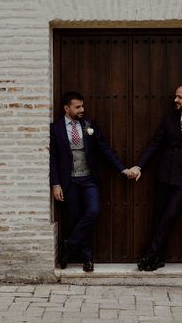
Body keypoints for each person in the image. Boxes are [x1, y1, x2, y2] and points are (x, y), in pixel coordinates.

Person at [127, 84, 182, 271]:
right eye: (175, 96)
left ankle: (149, 256)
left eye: (179, 97)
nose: (175, 100)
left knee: (169, 217)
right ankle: (158, 259)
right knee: (159, 218)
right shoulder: (169, 119)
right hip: (164, 176)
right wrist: (139, 165)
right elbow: (155, 144)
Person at [50, 91, 133, 272]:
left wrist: (122, 168)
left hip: (88, 179)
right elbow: (53, 159)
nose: (82, 109)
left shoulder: (88, 124)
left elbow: (104, 148)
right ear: (67, 108)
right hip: (69, 181)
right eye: (77, 107)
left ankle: (69, 245)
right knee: (75, 218)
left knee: (93, 211)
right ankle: (87, 258)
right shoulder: (55, 128)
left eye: (82, 106)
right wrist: (56, 184)